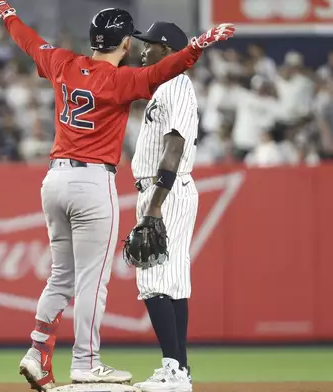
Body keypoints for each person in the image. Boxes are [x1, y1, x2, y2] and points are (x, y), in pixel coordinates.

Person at [0, 2, 235, 390]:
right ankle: (86, 363)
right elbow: (165, 70)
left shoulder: (63, 62)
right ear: (124, 45)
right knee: (92, 281)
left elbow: (30, 43)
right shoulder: (120, 80)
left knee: (60, 276)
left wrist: (8, 16)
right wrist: (198, 45)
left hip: (54, 180)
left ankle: (37, 351)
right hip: (92, 183)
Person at [127, 22, 199, 392]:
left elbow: (174, 148)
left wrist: (155, 204)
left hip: (164, 191)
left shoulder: (176, 85)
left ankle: (173, 370)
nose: (143, 50)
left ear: (167, 49)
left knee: (154, 279)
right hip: (167, 190)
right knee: (171, 282)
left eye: (150, 44)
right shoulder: (164, 87)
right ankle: (179, 370)